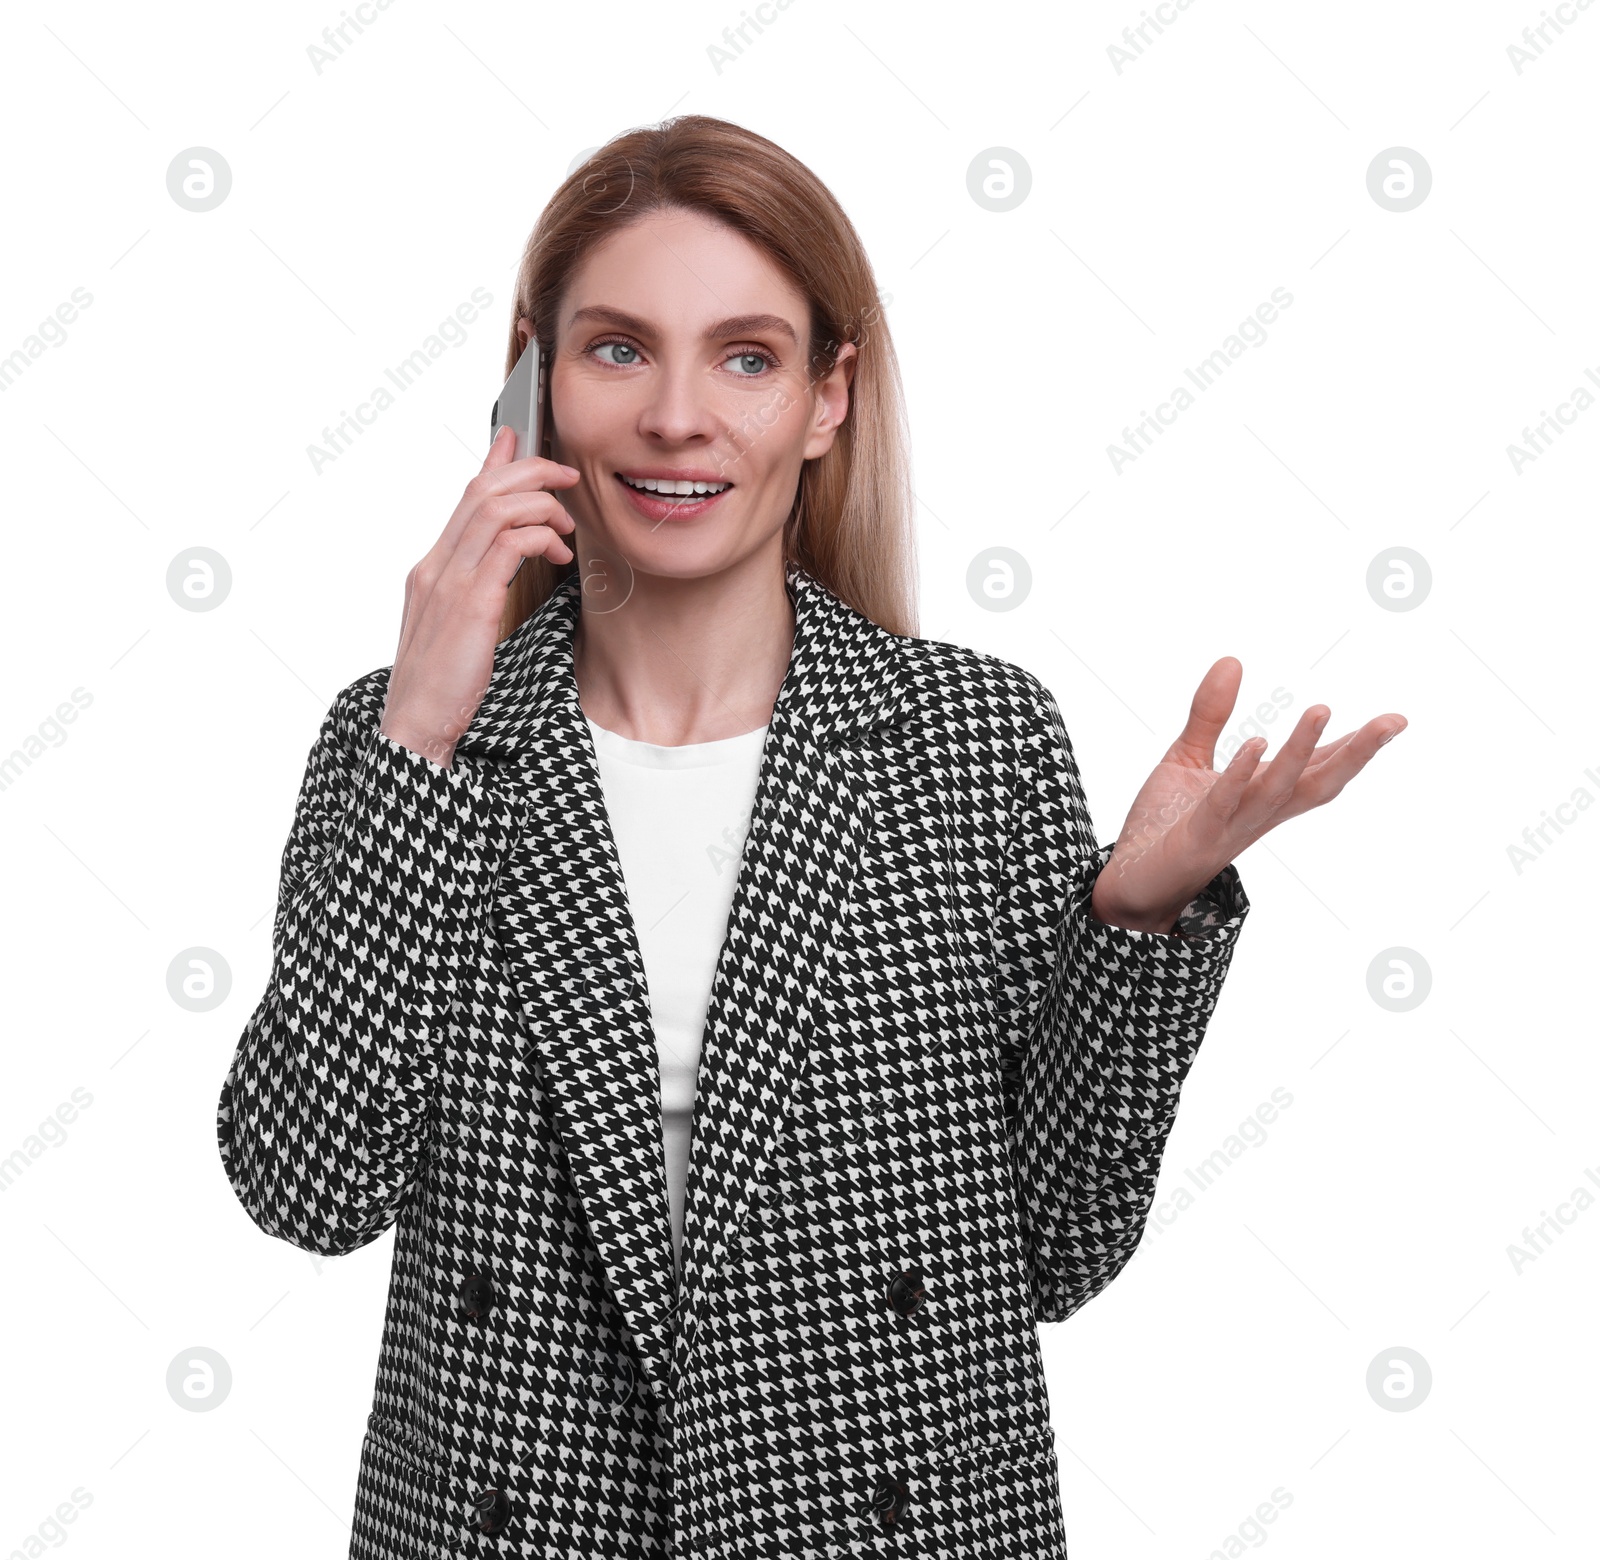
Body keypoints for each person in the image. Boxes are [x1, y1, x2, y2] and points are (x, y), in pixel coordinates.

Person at [216, 114, 1406, 1560]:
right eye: (616, 349)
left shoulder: (969, 738)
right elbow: (308, 1187)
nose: (676, 418)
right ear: (526, 385)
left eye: (746, 356)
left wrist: (1135, 922)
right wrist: (420, 735)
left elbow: (1054, 1246)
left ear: (829, 396)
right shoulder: (406, 740)